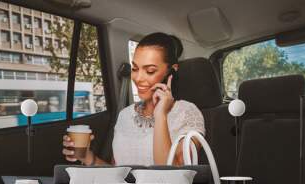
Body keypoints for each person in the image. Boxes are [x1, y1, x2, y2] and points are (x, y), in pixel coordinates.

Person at [63, 32, 205, 166]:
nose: (137, 78)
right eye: (135, 68)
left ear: (171, 71)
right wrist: (87, 157)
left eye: (150, 71)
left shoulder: (188, 113)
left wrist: (160, 115)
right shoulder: (125, 115)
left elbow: (175, 177)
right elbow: (119, 175)